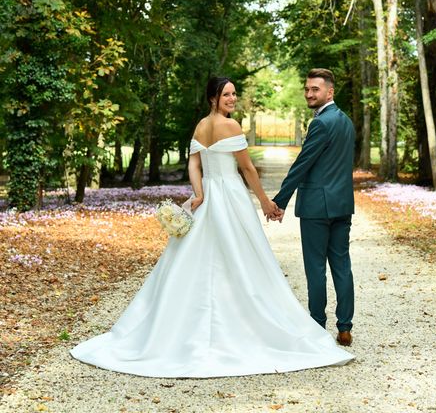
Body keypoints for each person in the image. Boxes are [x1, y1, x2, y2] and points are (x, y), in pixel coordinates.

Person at [69, 77, 354, 378]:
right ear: (213, 98)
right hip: (231, 196)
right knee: (247, 257)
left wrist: (200, 192)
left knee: (195, 258)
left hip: (209, 197)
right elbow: (246, 168)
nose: (232, 99)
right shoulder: (230, 126)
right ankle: (331, 325)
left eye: (234, 93)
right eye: (226, 94)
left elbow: (194, 164)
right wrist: (266, 203)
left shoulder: (201, 126)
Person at [271, 68, 356, 347]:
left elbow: (302, 164)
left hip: (317, 208)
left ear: (329, 92)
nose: (309, 93)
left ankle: (318, 326)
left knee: (316, 268)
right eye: (307, 89)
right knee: (342, 266)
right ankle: (345, 328)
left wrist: (280, 200)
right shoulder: (346, 121)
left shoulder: (321, 123)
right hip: (342, 205)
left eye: (315, 89)